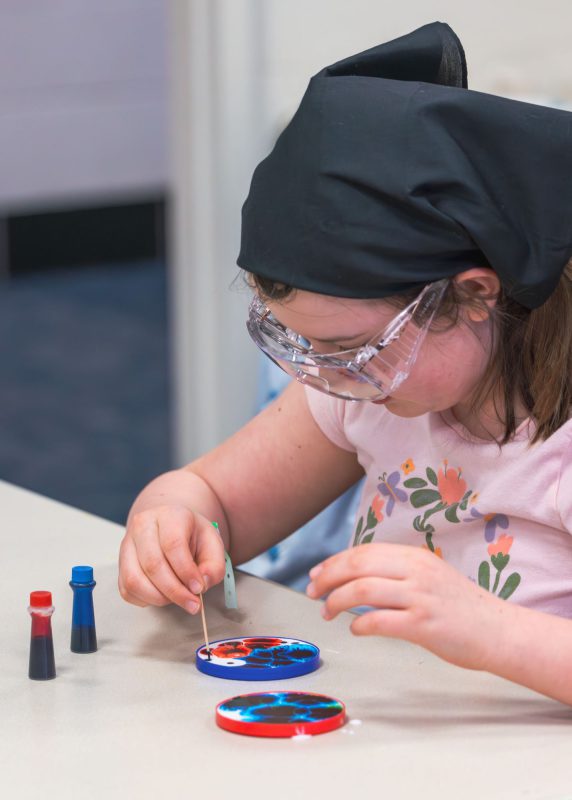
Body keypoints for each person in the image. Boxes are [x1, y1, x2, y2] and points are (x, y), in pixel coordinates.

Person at [118, 22, 572, 705]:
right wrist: (170, 520)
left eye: (353, 351)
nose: (330, 381)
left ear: (475, 294)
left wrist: (492, 633)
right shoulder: (365, 395)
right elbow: (211, 501)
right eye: (303, 349)